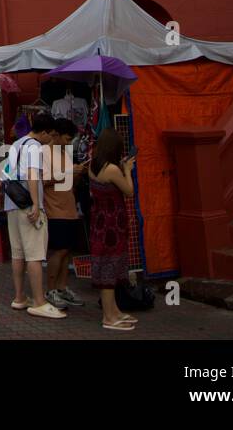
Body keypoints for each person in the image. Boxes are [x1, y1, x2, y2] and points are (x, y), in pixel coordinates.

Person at [5, 112, 65, 319]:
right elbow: (32, 175)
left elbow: (9, 172)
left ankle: (20, 296)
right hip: (27, 204)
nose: (52, 139)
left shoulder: (16, 144)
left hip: (11, 203)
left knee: (18, 253)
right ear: (46, 132)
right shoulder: (35, 147)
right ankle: (39, 301)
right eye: (52, 135)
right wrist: (37, 205)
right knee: (35, 253)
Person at [89, 127, 137, 331]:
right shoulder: (113, 169)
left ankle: (114, 311)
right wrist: (127, 170)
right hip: (112, 224)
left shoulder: (93, 164)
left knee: (108, 265)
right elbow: (129, 191)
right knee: (110, 268)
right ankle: (108, 317)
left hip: (100, 220)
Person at [44, 119, 85, 310]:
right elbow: (43, 181)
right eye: (67, 139)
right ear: (56, 135)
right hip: (54, 210)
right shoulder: (45, 153)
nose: (69, 143)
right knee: (58, 250)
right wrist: (69, 171)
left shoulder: (65, 154)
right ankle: (50, 289)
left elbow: (69, 183)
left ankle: (62, 287)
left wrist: (76, 174)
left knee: (67, 251)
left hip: (69, 208)